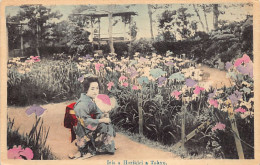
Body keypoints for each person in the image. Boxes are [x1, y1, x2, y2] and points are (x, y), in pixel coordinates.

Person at [69, 75, 116, 159]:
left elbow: (97, 111)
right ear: (86, 89)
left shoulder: (90, 99)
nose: (95, 91)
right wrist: (101, 121)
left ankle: (103, 146)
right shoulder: (82, 104)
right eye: (92, 89)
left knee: (107, 123)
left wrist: (102, 115)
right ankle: (89, 149)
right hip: (82, 126)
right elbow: (85, 121)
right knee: (104, 124)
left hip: (89, 123)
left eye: (97, 88)